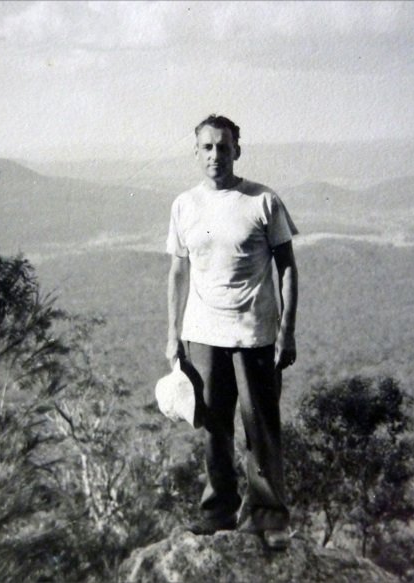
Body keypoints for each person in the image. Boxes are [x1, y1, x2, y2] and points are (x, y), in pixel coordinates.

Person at [165, 114, 298, 550]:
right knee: (214, 429)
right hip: (202, 334)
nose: (215, 155)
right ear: (196, 152)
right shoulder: (184, 204)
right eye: (207, 147)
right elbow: (177, 272)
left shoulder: (263, 200)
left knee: (261, 427)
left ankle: (269, 519)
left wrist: (287, 330)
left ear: (237, 150)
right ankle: (217, 513)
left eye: (223, 147)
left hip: (255, 334)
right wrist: (172, 334)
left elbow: (288, 268)